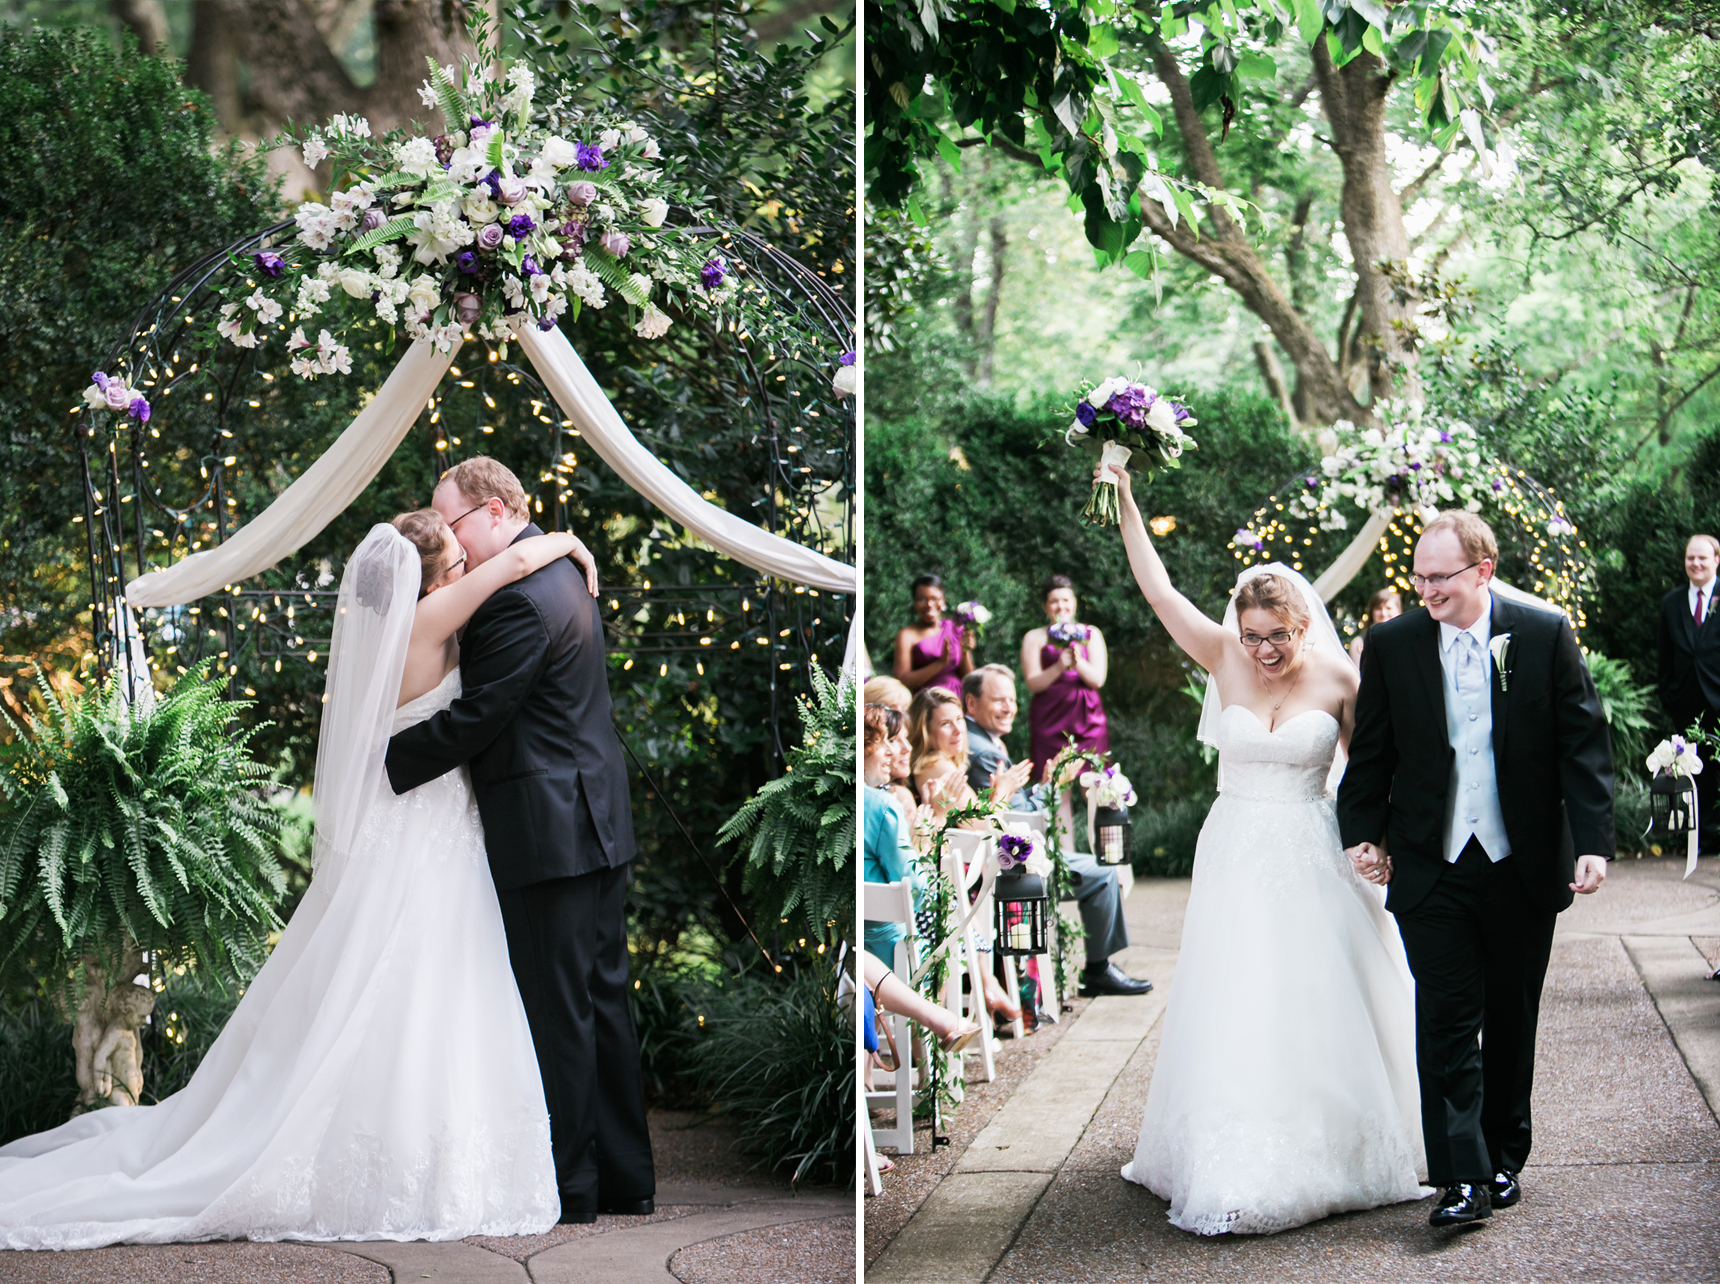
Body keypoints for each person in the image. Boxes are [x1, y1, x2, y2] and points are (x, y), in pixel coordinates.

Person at [0, 512, 603, 1247]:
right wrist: (568, 541)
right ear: (422, 578)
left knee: (399, 976)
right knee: (427, 975)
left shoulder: (393, 630)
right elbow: (509, 569)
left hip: (415, 816)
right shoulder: (431, 616)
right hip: (425, 825)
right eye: (445, 564)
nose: (455, 575)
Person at [1100, 461, 1427, 1235]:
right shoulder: (1222, 655)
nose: (1264, 652)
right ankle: (1230, 1148)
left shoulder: (1342, 678)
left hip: (1313, 852)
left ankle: (1335, 1144)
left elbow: (1371, 774)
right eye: (1252, 638)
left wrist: (1376, 842)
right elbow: (1159, 593)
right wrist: (1126, 504)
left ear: (1304, 625)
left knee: (1315, 992)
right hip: (1238, 848)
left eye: (1277, 637)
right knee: (1236, 991)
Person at [385, 457, 653, 1226]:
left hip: (548, 832)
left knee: (559, 1008)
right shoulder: (563, 572)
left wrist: (386, 760)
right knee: (602, 1000)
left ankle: (574, 1188)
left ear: (499, 511)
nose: (455, 545)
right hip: (594, 819)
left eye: (458, 525)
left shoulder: (513, 602)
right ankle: (627, 1178)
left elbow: (480, 719)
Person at [1339, 508, 1614, 1228]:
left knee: (1511, 1015)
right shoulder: (1392, 644)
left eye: (1440, 578)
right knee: (1447, 1020)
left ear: (1483, 570)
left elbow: (1582, 744)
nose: (1425, 591)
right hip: (1432, 865)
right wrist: (1362, 832)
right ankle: (1460, 1176)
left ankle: (1501, 1158)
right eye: (1419, 577)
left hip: (1520, 861)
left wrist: (1591, 841)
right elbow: (1372, 751)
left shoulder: (1544, 633)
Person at [962, 664, 1150, 999]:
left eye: (1012, 699)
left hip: (1005, 857)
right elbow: (1020, 819)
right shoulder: (985, 752)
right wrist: (1052, 789)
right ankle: (1098, 969)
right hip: (1008, 867)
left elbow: (1015, 809)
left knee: (1099, 870)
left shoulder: (984, 742)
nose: (1009, 707)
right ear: (971, 704)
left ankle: (1099, 967)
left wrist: (1047, 785)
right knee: (1104, 874)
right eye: (998, 700)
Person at [1656, 534, 1720, 856]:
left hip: (1719, 701)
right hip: (1686, 706)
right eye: (1690, 558)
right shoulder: (1672, 603)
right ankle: (1702, 842)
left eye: (1702, 559)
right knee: (1697, 775)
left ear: (1716, 561)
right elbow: (1664, 657)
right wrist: (1669, 695)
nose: (1695, 564)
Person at [1022, 574, 1111, 778]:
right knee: (1055, 783)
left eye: (1065, 600)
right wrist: (1059, 666)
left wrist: (1078, 663)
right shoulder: (1034, 637)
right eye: (1054, 601)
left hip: (1087, 716)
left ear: (1074, 603)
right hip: (1050, 717)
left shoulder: (1091, 633)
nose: (1060, 606)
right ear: (1045, 606)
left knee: (1094, 780)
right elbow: (1033, 684)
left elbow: (1098, 679)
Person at [864, 704, 925, 968]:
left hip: (853, 948)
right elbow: (914, 889)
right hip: (890, 949)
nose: (891, 750)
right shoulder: (884, 807)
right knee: (951, 945)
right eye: (883, 742)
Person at [893, 574, 972, 695]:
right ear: (914, 603)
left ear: (943, 601)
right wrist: (940, 664)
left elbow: (969, 679)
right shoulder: (906, 635)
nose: (929, 604)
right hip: (925, 700)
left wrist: (966, 650)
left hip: (956, 698)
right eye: (922, 599)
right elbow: (901, 681)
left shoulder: (955, 628)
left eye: (935, 599)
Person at [1348, 587, 1403, 665]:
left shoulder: (1406, 640)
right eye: (1378, 608)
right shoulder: (1359, 643)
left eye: (1388, 608)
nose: (1383, 613)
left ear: (1398, 611)